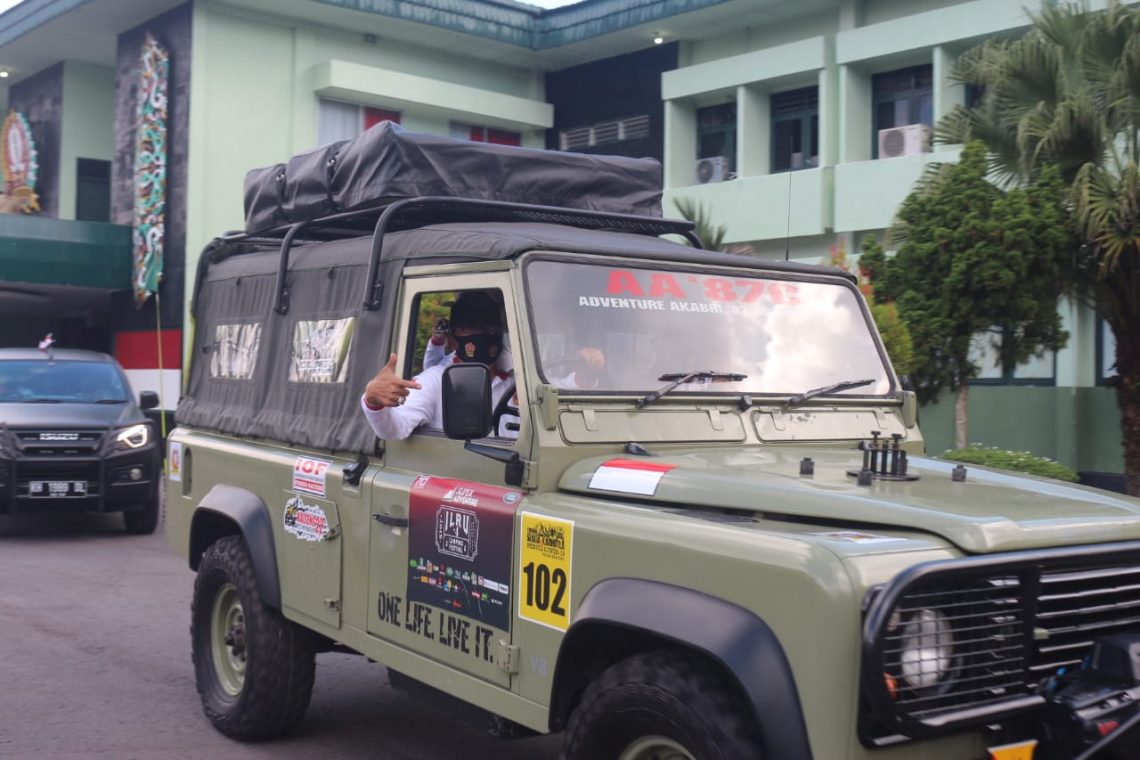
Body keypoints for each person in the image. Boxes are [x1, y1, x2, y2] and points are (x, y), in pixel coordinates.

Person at [362, 290, 515, 441]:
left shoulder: (518, 380)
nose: (483, 335)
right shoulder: (435, 380)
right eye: (471, 328)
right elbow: (396, 428)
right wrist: (373, 402)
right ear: (453, 339)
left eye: (490, 328)